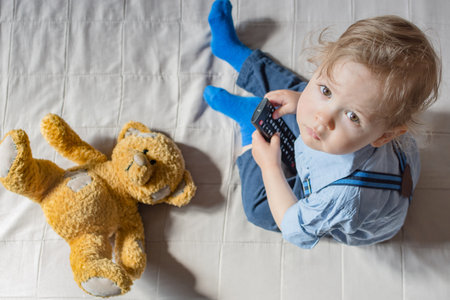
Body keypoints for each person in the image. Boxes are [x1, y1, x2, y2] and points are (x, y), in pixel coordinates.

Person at [203, 0, 441, 248]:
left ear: (384, 136)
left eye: (353, 116)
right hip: (346, 156)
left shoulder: (342, 198)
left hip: (334, 190)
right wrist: (299, 100)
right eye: (327, 90)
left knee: (258, 209)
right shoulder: (363, 119)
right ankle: (231, 52)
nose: (323, 118)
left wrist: (270, 167)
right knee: (301, 93)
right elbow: (328, 100)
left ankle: (248, 126)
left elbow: (291, 226)